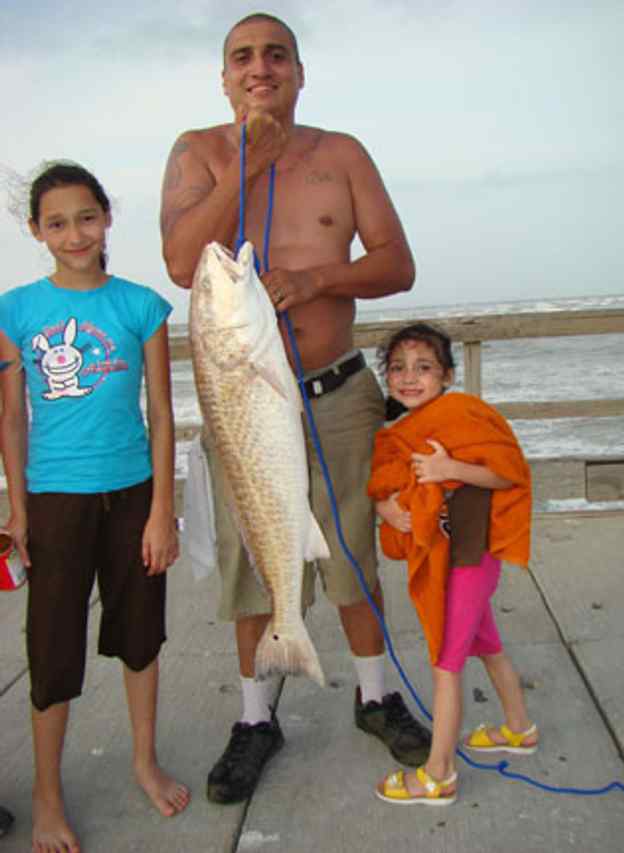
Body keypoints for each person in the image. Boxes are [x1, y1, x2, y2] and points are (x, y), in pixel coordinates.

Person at [161, 13, 432, 804]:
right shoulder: (197, 152)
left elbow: (397, 263)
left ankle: (375, 696)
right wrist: (251, 159)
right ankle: (255, 718)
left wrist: (316, 282)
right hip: (243, 403)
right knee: (253, 565)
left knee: (352, 553)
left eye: (276, 55)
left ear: (300, 71)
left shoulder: (342, 153)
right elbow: (184, 262)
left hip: (339, 392)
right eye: (242, 57)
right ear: (223, 77)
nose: (260, 68)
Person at [0, 161, 190, 852]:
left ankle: (144, 759)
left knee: (141, 635)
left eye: (86, 217)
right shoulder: (15, 309)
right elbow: (12, 418)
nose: (74, 233)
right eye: (57, 222)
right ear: (36, 231)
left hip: (133, 491)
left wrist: (161, 508)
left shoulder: (140, 305)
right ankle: (48, 792)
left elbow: (163, 415)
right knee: (51, 652)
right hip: (54, 499)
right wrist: (17, 509)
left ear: (107, 217)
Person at [368, 323, 536, 806]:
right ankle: (519, 728)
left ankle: (438, 773)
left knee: (446, 662)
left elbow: (508, 473)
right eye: (397, 368)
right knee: (487, 643)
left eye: (424, 368)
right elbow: (385, 485)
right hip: (447, 554)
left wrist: (451, 470)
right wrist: (386, 509)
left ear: (446, 374)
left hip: (470, 555)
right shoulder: (399, 431)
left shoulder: (466, 413)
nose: (409, 378)